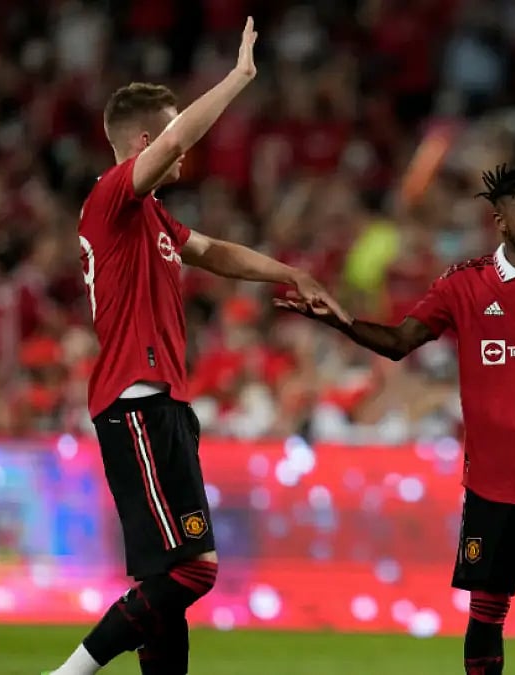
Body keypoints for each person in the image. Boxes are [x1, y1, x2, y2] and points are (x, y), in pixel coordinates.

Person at [47, 18, 349, 675]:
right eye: (173, 135)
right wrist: (239, 77)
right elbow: (182, 135)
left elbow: (209, 250)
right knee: (193, 569)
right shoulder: (113, 198)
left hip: (162, 405)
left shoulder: (151, 215)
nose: (188, 151)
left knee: (170, 585)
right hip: (136, 399)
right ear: (147, 142)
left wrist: (289, 272)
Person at [276, 164, 515, 675]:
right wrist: (341, 322)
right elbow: (401, 342)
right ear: (500, 221)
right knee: (488, 607)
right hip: (495, 482)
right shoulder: (463, 285)